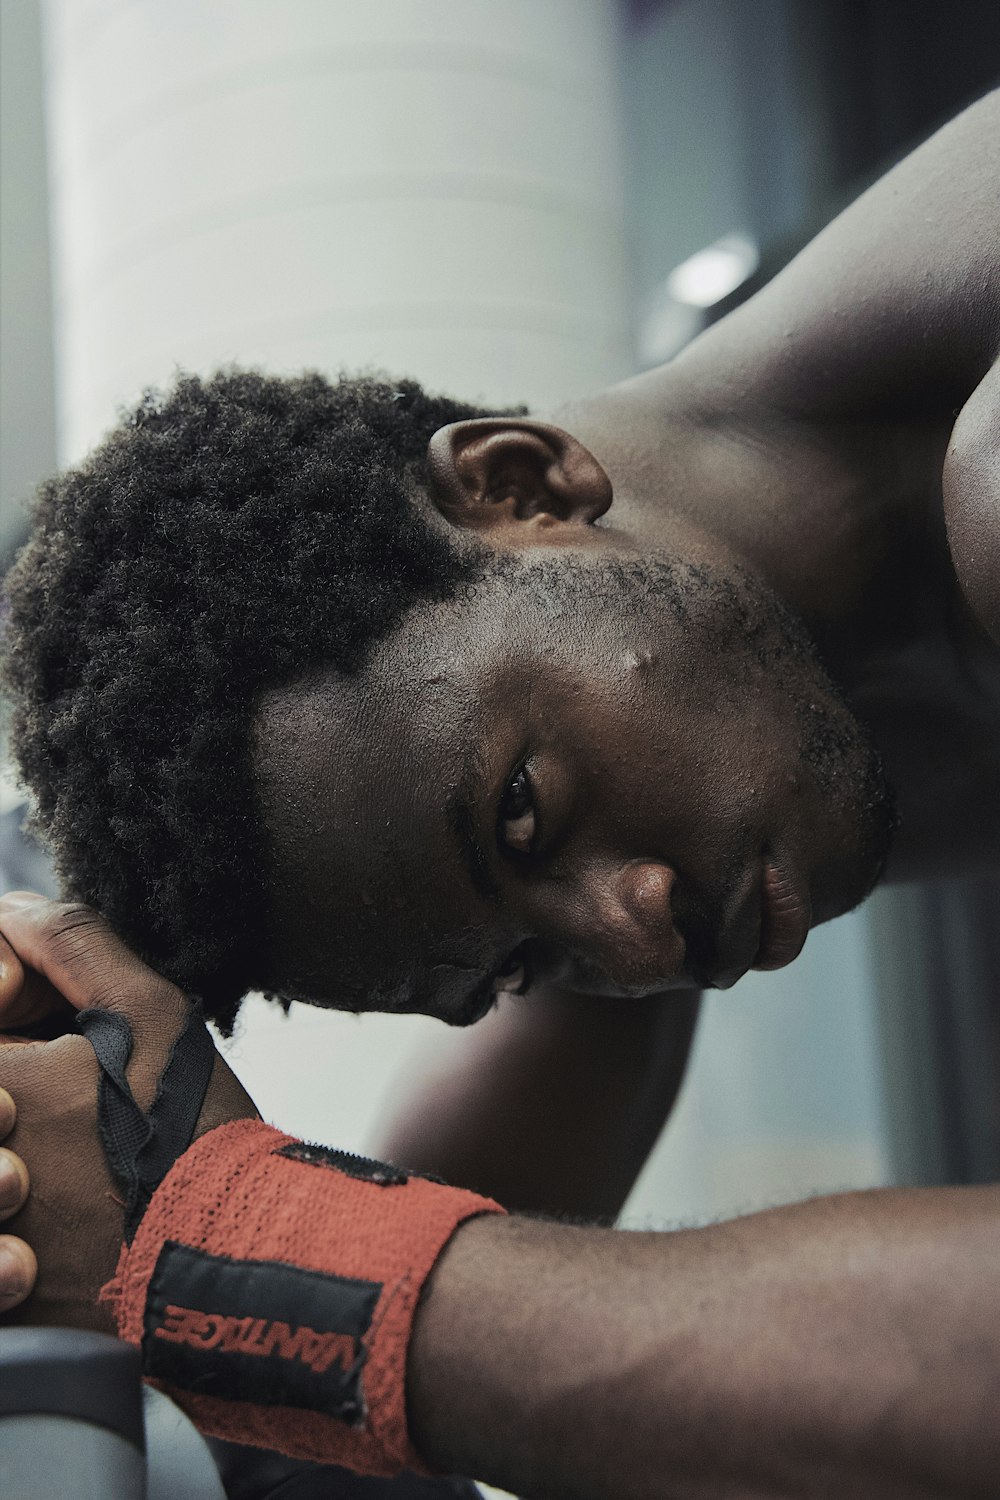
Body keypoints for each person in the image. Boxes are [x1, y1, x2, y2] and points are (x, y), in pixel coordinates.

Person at [0, 89, 998, 1498]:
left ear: (520, 483)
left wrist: (265, 1260)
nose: (632, 937)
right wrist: (113, 1134)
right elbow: (376, 1413)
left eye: (524, 808)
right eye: (524, 967)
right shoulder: (700, 746)